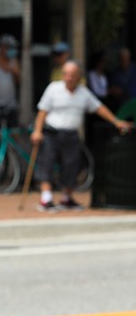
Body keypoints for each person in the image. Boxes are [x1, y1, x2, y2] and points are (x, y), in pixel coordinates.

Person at [32, 61, 132, 212]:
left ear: (78, 77)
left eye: (72, 75)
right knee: (47, 163)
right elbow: (42, 111)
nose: (69, 78)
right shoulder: (53, 89)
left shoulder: (83, 93)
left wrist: (116, 121)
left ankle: (66, 198)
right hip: (52, 133)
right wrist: (37, 131)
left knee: (71, 165)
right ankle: (46, 198)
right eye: (66, 74)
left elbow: (99, 108)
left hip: (71, 134)